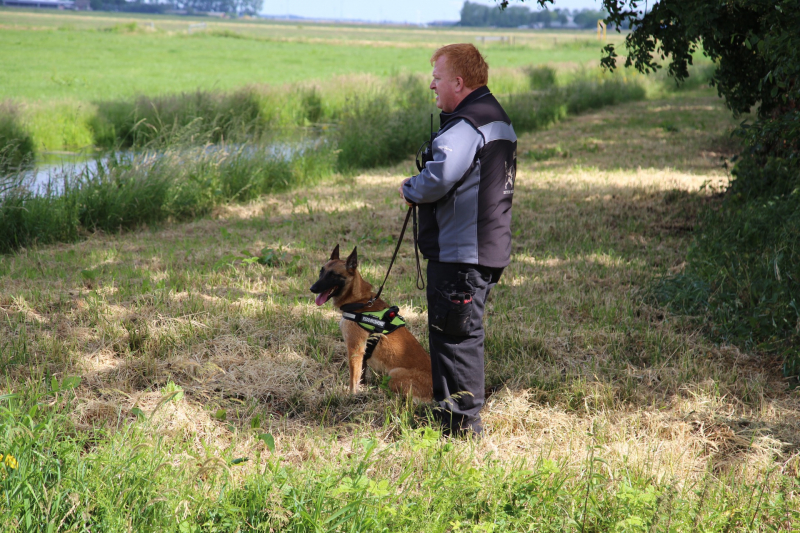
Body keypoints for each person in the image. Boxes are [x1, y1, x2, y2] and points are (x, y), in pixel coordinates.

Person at [399, 43, 516, 437]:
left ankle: (461, 426)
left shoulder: (466, 124)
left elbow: (441, 177)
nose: (432, 85)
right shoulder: (495, 116)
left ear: (459, 82)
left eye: (437, 78)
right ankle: (454, 415)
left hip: (462, 252)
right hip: (484, 247)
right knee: (460, 332)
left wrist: (411, 187)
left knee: (455, 338)